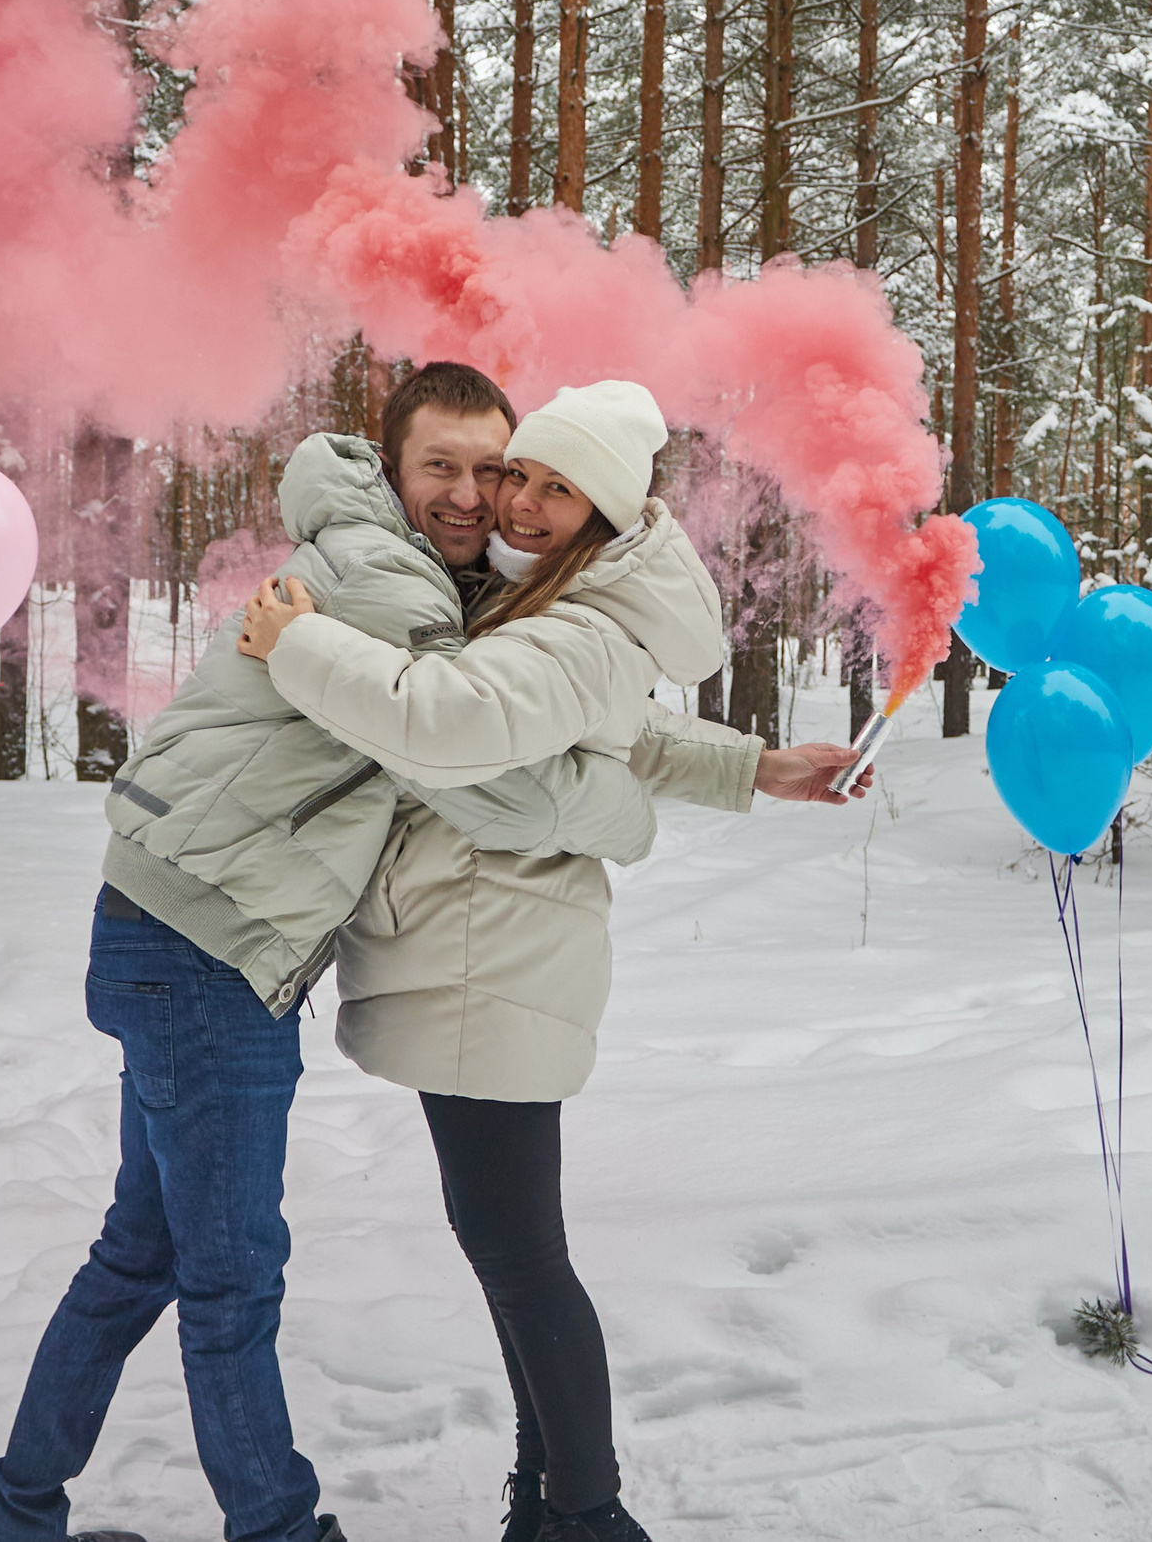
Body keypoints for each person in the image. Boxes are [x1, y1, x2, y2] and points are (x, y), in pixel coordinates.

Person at [0, 364, 853, 1542]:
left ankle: (18, 1516)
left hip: (185, 927)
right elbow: (476, 747)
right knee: (230, 1276)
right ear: (392, 468)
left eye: (496, 470)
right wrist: (628, 816)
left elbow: (572, 707)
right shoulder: (390, 579)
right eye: (443, 465)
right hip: (207, 943)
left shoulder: (440, 580)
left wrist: (741, 766)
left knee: (143, 1253)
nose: (475, 494)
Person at [239, 379, 863, 1542]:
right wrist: (755, 767)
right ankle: (547, 1500)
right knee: (511, 1252)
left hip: (495, 965)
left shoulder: (574, 626)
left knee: (521, 1258)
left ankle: (586, 1511)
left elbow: (444, 721)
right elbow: (621, 736)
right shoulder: (549, 598)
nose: (516, 501)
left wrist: (298, 643)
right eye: (516, 473)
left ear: (607, 513)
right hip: (482, 953)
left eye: (552, 486)